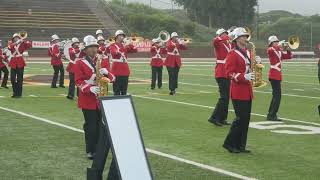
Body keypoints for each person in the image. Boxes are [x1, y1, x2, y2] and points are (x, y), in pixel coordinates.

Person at [73, 35, 117, 180]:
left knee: (100, 126)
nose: (94, 49)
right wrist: (89, 88)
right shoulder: (79, 63)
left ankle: (99, 150)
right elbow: (77, 81)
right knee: (91, 125)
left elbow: (113, 78)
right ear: (85, 50)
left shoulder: (101, 60)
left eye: (95, 47)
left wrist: (107, 73)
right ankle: (90, 150)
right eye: (91, 47)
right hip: (87, 99)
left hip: (101, 99)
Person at [223, 27, 255, 153]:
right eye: (243, 36)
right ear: (236, 39)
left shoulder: (247, 52)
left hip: (247, 90)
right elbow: (229, 73)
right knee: (240, 118)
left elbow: (249, 68)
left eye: (246, 36)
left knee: (246, 119)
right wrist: (243, 76)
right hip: (238, 90)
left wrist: (255, 63)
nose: (246, 38)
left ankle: (241, 145)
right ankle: (230, 144)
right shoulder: (232, 53)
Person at [208, 28, 231, 126]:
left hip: (228, 72)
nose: (226, 35)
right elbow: (214, 41)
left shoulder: (229, 44)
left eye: (226, 33)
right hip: (221, 72)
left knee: (227, 97)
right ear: (220, 35)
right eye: (224, 34)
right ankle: (213, 117)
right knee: (223, 97)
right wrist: (222, 37)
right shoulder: (219, 43)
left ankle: (223, 118)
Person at [266, 35, 293, 121]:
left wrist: (288, 50)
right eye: (275, 42)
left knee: (276, 96)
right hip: (273, 75)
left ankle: (271, 114)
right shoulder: (270, 50)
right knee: (277, 96)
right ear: (271, 43)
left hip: (277, 75)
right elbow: (271, 49)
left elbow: (289, 56)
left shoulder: (278, 51)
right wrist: (280, 45)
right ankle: (272, 115)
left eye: (277, 41)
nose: (277, 43)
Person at [109, 30, 137, 95]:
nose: (122, 37)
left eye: (123, 36)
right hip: (117, 71)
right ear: (117, 37)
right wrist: (125, 46)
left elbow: (135, 50)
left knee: (124, 92)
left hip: (125, 71)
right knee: (116, 91)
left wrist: (130, 44)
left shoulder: (124, 45)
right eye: (121, 35)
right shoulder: (113, 45)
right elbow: (115, 53)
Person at [8, 33, 32, 98]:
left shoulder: (22, 43)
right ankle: (15, 92)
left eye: (17, 37)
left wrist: (23, 41)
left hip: (20, 61)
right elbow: (9, 47)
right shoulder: (11, 43)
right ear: (13, 39)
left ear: (19, 38)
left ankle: (19, 94)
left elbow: (30, 45)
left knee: (20, 79)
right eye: (15, 38)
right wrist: (17, 42)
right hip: (13, 61)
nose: (16, 38)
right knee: (12, 79)